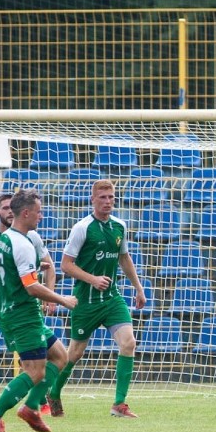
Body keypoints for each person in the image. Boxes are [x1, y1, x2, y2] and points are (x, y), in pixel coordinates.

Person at [0, 189, 77, 432]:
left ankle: (31, 408)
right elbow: (32, 287)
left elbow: (15, 271)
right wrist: (62, 300)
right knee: (35, 371)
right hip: (22, 313)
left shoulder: (6, 239)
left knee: (60, 356)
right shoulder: (22, 244)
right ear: (25, 213)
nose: (41, 216)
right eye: (38, 212)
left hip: (20, 310)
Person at [46, 179, 146, 418]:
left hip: (112, 299)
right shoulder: (82, 228)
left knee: (129, 343)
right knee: (74, 355)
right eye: (102, 197)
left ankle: (119, 404)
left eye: (111, 197)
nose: (108, 201)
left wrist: (139, 288)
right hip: (86, 301)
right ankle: (54, 392)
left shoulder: (119, 226)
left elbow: (124, 258)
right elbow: (65, 265)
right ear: (93, 200)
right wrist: (92, 279)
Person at [0, 193, 57, 414]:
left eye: (11, 207)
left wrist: (48, 292)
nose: (9, 211)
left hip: (27, 307)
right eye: (5, 207)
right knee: (33, 365)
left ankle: (35, 403)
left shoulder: (30, 238)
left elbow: (45, 266)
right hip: (9, 309)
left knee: (53, 357)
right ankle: (4, 412)